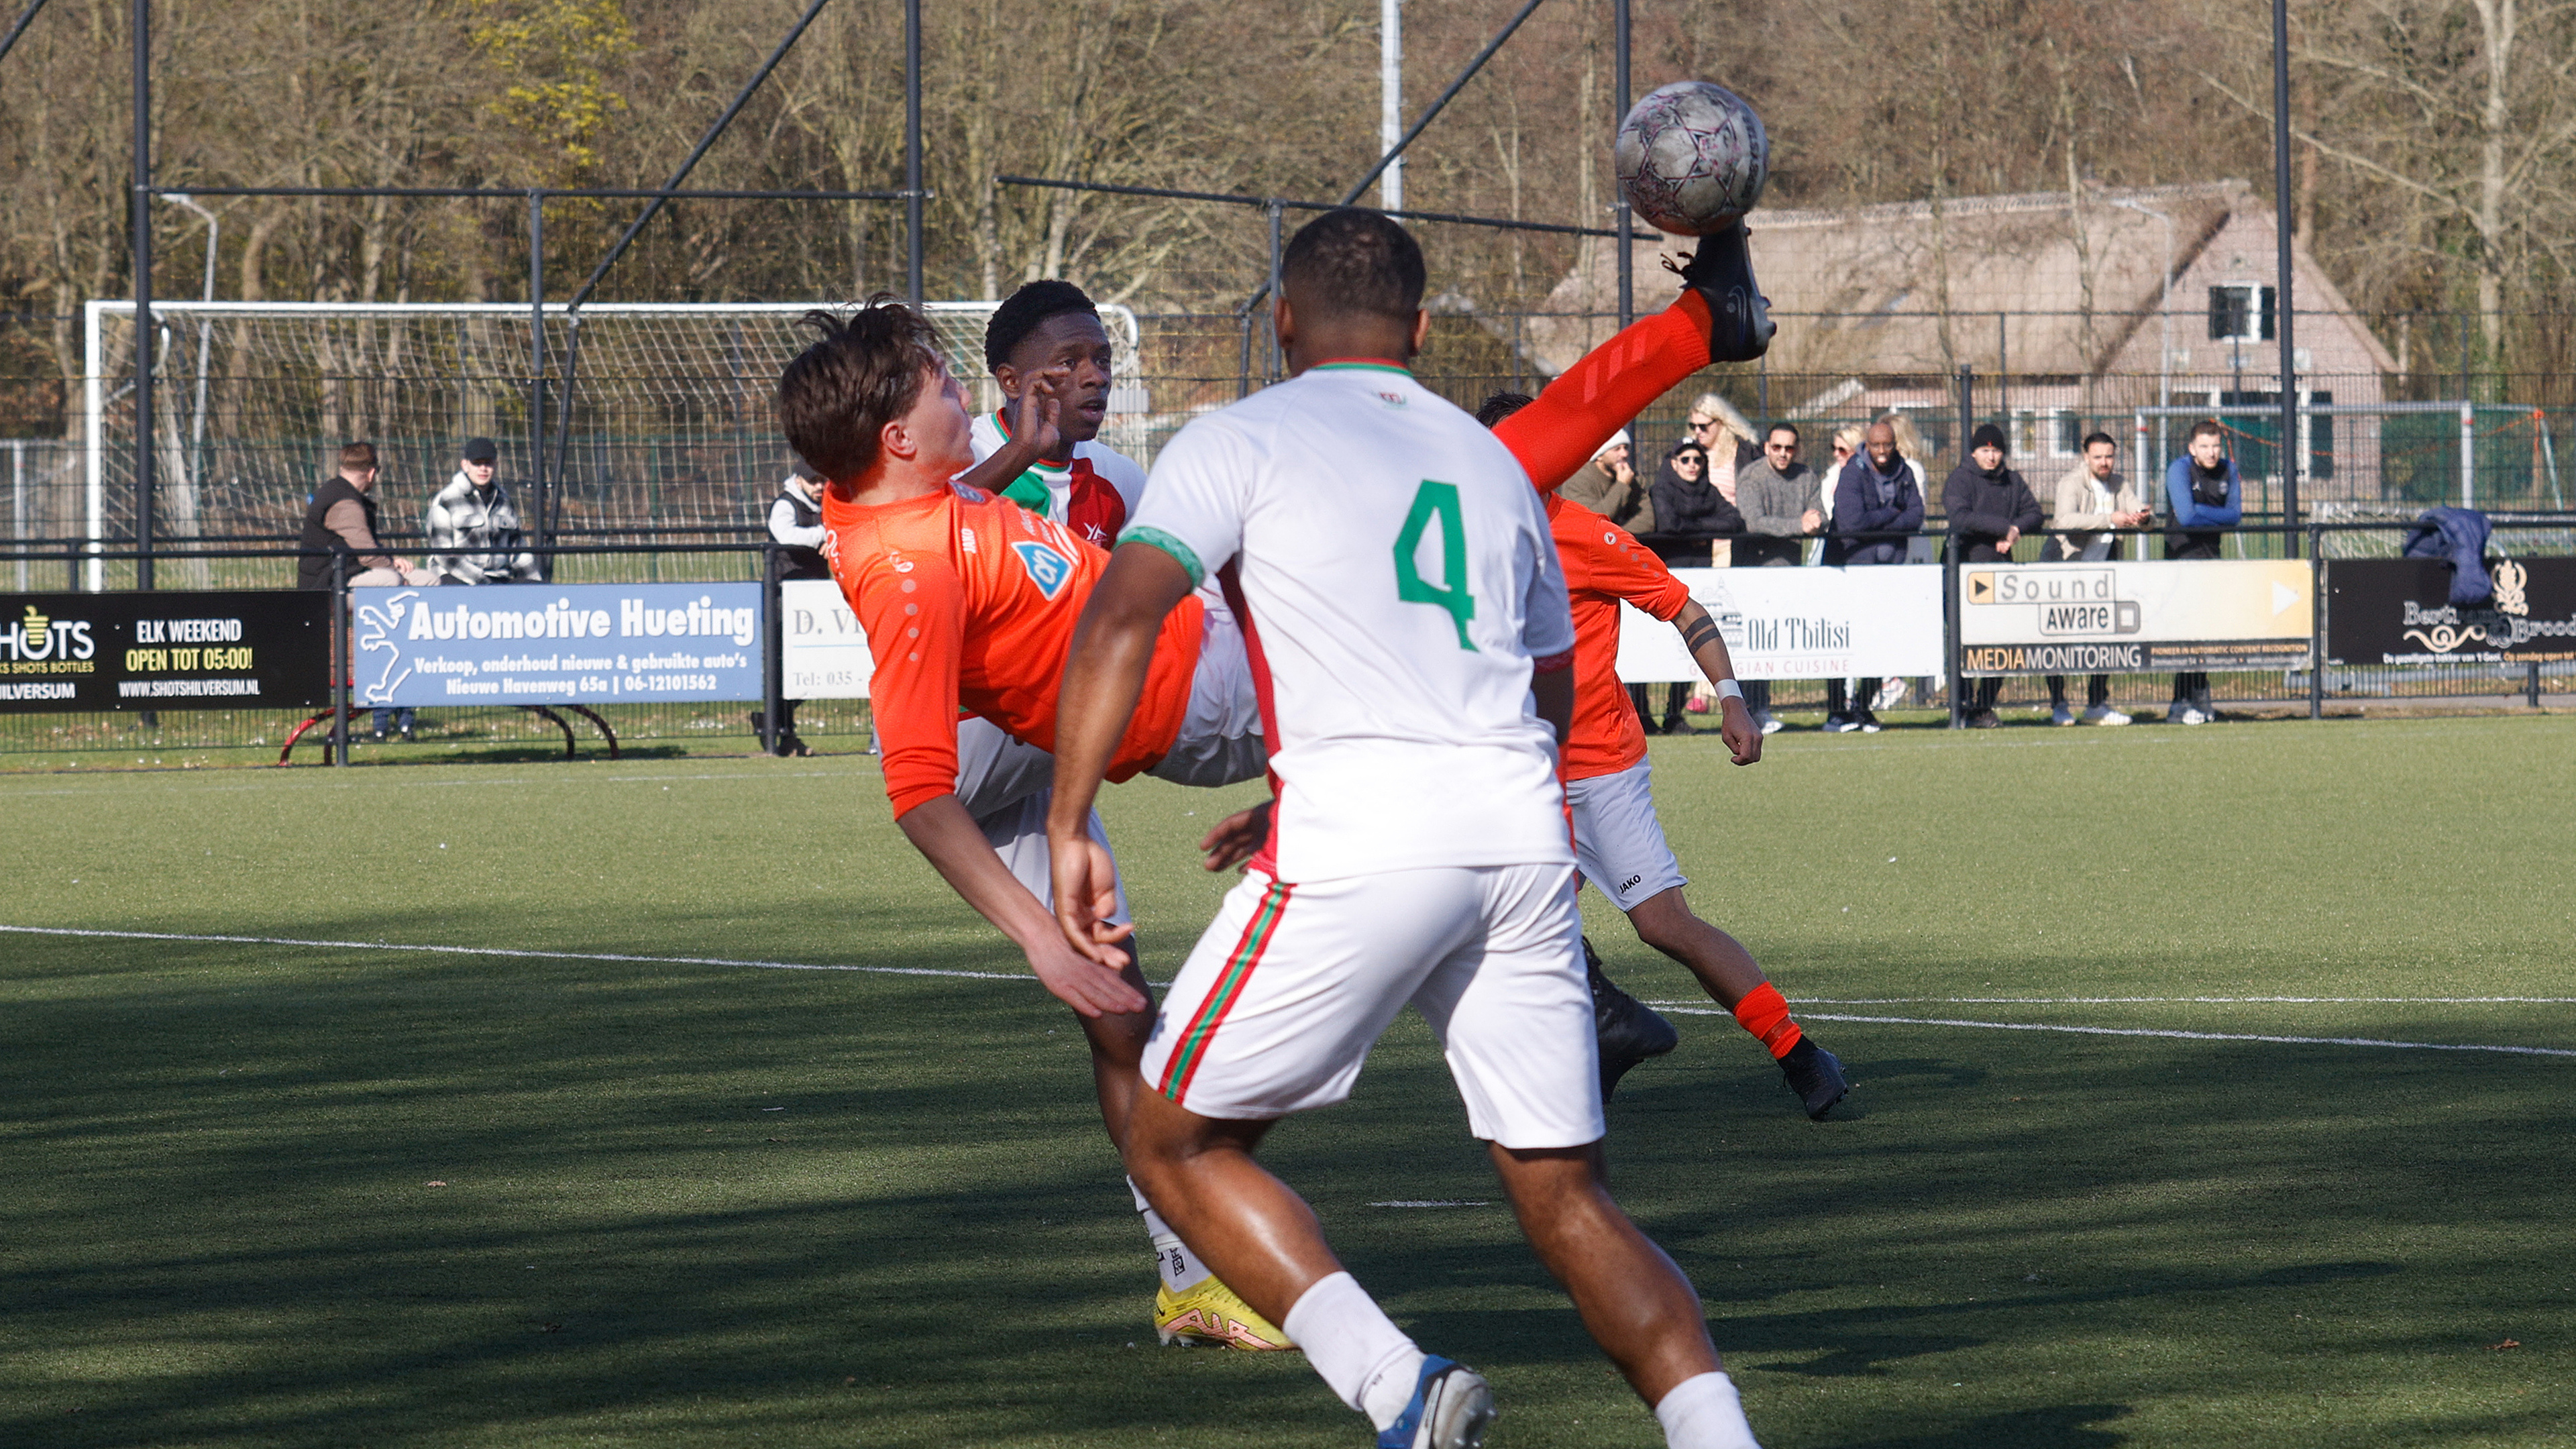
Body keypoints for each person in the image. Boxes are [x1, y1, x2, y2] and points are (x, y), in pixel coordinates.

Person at [1046, 207, 1768, 1449]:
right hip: (1520, 842)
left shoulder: (1235, 439)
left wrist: (1067, 825)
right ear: (1423, 331)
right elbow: (1546, 687)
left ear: (1281, 322)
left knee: (1172, 1142)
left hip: (1361, 844)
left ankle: (1402, 1390)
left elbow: (1119, 620)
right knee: (1567, 1199)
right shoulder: (1493, 465)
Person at [1485, 391, 1847, 1120]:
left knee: (1663, 926)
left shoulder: (1582, 534)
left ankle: (1798, 1051)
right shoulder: (1458, 537)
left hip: (1597, 764)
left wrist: (1734, 699)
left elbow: (1686, 609)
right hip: (1515, 772)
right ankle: (1587, 1053)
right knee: (1507, 923)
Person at [967, 278, 1147, 549]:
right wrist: (1021, 452)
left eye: (1103, 361)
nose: (1097, 378)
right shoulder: (966, 456)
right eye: (1069, 363)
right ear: (1011, 382)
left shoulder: (1119, 478)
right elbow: (922, 533)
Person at [297, 441, 437, 743]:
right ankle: (386, 688)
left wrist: (393, 562)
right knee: (389, 581)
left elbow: (368, 551)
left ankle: (417, 669)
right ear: (372, 472)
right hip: (327, 589)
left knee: (429, 581)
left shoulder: (346, 494)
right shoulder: (343, 501)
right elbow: (369, 555)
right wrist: (392, 566)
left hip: (350, 579)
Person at [1819, 421, 1923, 733]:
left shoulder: (1904, 471)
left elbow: (1917, 515)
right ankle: (1837, 711)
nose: (1881, 452)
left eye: (1887, 445)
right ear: (1868, 444)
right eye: (1876, 445)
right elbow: (1851, 523)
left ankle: (1863, 706)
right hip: (1846, 566)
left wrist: (1877, 522)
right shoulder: (1852, 471)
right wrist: (1892, 514)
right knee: (1840, 638)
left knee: (1882, 638)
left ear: (1895, 445)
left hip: (1887, 571)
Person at [2045, 432, 2152, 725]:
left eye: (2109, 456)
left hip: (2104, 573)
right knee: (2058, 640)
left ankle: (2097, 705)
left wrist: (2143, 518)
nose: (2105, 463)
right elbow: (2064, 521)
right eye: (2098, 457)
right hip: (2067, 570)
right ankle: (2059, 705)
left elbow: (2137, 512)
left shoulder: (2120, 484)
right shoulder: (2071, 483)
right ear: (2085, 457)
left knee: (2106, 637)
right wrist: (2109, 520)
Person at [1943, 423, 2044, 728]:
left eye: (1996, 450)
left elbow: (2036, 514)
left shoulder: (2012, 480)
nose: (1991, 456)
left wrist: (2016, 531)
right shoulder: (1960, 479)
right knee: (1961, 642)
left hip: (2001, 572)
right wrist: (2004, 527)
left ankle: (1983, 707)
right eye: (1985, 450)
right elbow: (1960, 516)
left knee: (2001, 643)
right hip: (1964, 569)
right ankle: (1960, 705)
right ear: (1973, 452)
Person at [1641, 439, 1741, 733]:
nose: (1692, 465)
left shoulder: (1709, 490)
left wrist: (1692, 527)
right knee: (1649, 649)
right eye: (1685, 459)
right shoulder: (1661, 489)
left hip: (1699, 579)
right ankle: (1643, 714)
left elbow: (1734, 522)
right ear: (1673, 462)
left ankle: (1674, 714)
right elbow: (1668, 525)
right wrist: (1704, 527)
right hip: (1664, 580)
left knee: (1689, 647)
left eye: (1698, 459)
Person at [1732, 424, 1821, 734]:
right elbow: (1754, 522)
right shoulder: (1752, 477)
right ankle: (1749, 710)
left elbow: (1818, 515)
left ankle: (1761, 708)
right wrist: (1800, 524)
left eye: (1790, 448)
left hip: (1790, 572)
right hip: (1754, 572)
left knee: (1773, 643)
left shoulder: (1807, 476)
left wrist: (1816, 521)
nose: (1784, 454)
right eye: (1778, 447)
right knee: (1753, 644)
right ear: (1768, 446)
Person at [2163, 420, 2243, 724]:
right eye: (2205, 447)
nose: (2211, 453)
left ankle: (2197, 700)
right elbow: (2185, 516)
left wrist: (2201, 512)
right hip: (2181, 557)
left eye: (2216, 446)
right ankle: (2181, 702)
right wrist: (2210, 516)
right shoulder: (2179, 469)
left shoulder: (2228, 470)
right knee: (2184, 632)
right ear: (2192, 448)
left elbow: (2235, 515)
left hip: (2212, 557)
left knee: (2205, 631)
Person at [756, 460, 832, 756]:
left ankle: (770, 721)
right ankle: (783, 733)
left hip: (815, 600)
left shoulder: (828, 505)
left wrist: (833, 537)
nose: (820, 487)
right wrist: (825, 535)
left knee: (819, 668)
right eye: (814, 481)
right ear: (799, 480)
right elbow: (786, 535)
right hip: (783, 600)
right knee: (784, 672)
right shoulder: (785, 505)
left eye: (823, 480)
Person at [425, 437, 541, 587]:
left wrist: (538, 585)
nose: (483, 469)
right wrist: (482, 582)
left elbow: (517, 549)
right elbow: (444, 555)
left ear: (496, 465)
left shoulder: (504, 500)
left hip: (498, 577)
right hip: (456, 578)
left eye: (488, 463)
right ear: (465, 465)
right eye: (477, 463)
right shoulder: (446, 500)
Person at [1561, 429, 1651, 535]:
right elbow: (1591, 520)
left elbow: (1648, 520)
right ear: (1599, 456)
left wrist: (1616, 536)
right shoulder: (1578, 480)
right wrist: (1622, 486)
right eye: (1617, 449)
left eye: (1625, 448)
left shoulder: (1633, 477)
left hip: (1621, 541)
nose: (1625, 454)